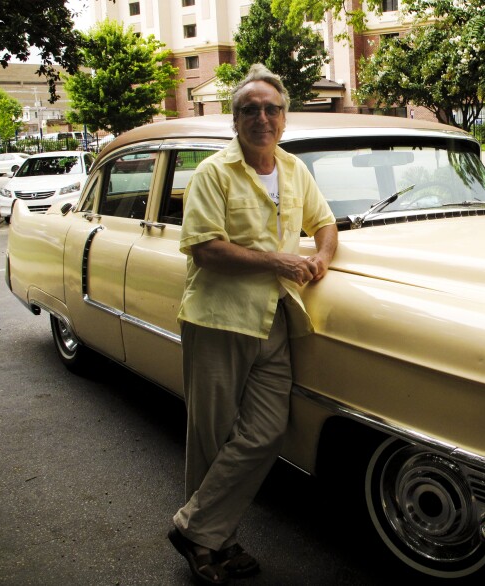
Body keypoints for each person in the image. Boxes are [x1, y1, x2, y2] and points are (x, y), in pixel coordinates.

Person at [168, 64, 338, 585]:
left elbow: (325, 224)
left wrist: (323, 260)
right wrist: (280, 262)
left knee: (266, 431)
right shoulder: (213, 173)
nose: (261, 117)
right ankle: (211, 545)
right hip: (219, 319)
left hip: (275, 320)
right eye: (249, 109)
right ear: (234, 119)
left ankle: (194, 528)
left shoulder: (293, 170)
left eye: (271, 108)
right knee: (213, 437)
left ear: (284, 117)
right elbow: (205, 249)